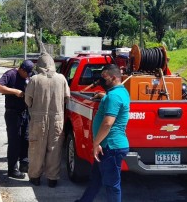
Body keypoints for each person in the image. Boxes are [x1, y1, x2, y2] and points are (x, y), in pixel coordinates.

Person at [76, 64, 130, 202]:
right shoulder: (118, 92)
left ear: (113, 77)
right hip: (107, 146)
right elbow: (112, 98)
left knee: (112, 185)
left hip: (111, 147)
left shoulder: (114, 96)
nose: (101, 80)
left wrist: (96, 143)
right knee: (96, 179)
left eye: (104, 77)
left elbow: (107, 123)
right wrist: (104, 96)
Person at [24, 52, 70, 188]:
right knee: (55, 149)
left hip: (38, 118)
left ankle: (35, 177)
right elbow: (67, 97)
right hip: (57, 118)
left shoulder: (35, 79)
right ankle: (52, 179)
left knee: (36, 148)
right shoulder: (61, 78)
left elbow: (28, 100)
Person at [0, 59, 34, 179]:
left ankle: (24, 164)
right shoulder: (10, 74)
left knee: (25, 139)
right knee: (14, 141)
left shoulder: (29, 76)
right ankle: (12, 169)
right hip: (13, 113)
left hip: (25, 112)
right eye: (26, 73)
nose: (28, 76)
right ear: (21, 69)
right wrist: (15, 91)